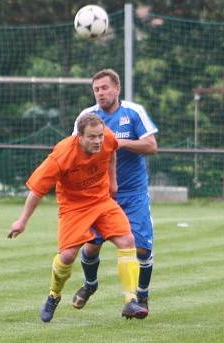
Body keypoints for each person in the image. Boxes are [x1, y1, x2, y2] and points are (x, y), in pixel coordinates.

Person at [8, 113, 148, 322]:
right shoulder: (61, 155)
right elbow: (37, 191)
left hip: (101, 200)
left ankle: (131, 300)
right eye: (92, 137)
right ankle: (53, 295)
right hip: (73, 207)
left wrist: (113, 182)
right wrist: (22, 221)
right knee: (66, 257)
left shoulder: (108, 138)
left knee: (127, 240)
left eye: (100, 135)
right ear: (79, 137)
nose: (98, 140)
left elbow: (112, 152)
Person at [71, 69, 158, 314]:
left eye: (105, 88)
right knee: (90, 246)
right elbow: (74, 148)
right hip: (99, 195)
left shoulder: (133, 112)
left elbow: (151, 146)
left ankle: (141, 297)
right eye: (96, 89)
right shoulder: (87, 116)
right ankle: (90, 285)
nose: (100, 93)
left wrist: (119, 142)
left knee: (141, 248)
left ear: (117, 88)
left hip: (133, 193)